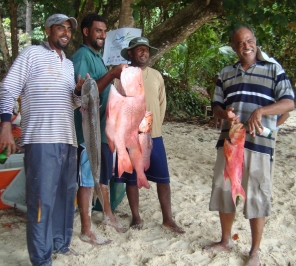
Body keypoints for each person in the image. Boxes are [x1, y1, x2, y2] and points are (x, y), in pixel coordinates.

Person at [0, 14, 88, 266]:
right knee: (41, 199)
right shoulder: (31, 55)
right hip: (40, 139)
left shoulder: (68, 64)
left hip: (67, 139)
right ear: (48, 30)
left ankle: (60, 244)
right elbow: (8, 88)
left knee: (65, 195)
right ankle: (41, 258)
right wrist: (5, 125)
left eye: (69, 29)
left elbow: (71, 103)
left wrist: (78, 93)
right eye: (60, 28)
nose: (66, 33)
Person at [205, 25, 294, 266]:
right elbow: (216, 108)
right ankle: (226, 240)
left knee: (257, 193)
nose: (246, 46)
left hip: (259, 145)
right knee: (225, 191)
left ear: (255, 41)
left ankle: (254, 251)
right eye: (240, 43)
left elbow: (289, 103)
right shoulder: (225, 73)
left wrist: (263, 111)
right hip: (230, 142)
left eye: (249, 40)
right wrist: (226, 113)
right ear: (233, 47)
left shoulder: (274, 69)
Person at [116, 37, 185, 234]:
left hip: (154, 135)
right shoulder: (121, 75)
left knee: (163, 178)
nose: (144, 53)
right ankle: (136, 216)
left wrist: (155, 128)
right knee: (132, 178)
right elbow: (117, 105)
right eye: (139, 50)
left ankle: (168, 219)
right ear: (131, 53)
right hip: (130, 137)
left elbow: (162, 103)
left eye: (146, 50)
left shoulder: (156, 75)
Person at [71, 13, 127, 246]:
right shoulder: (83, 56)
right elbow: (87, 91)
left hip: (103, 129)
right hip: (87, 132)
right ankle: (86, 229)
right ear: (86, 32)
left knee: (101, 175)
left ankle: (107, 215)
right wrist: (112, 73)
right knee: (87, 179)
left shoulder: (97, 56)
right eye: (98, 31)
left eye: (104, 31)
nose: (102, 35)